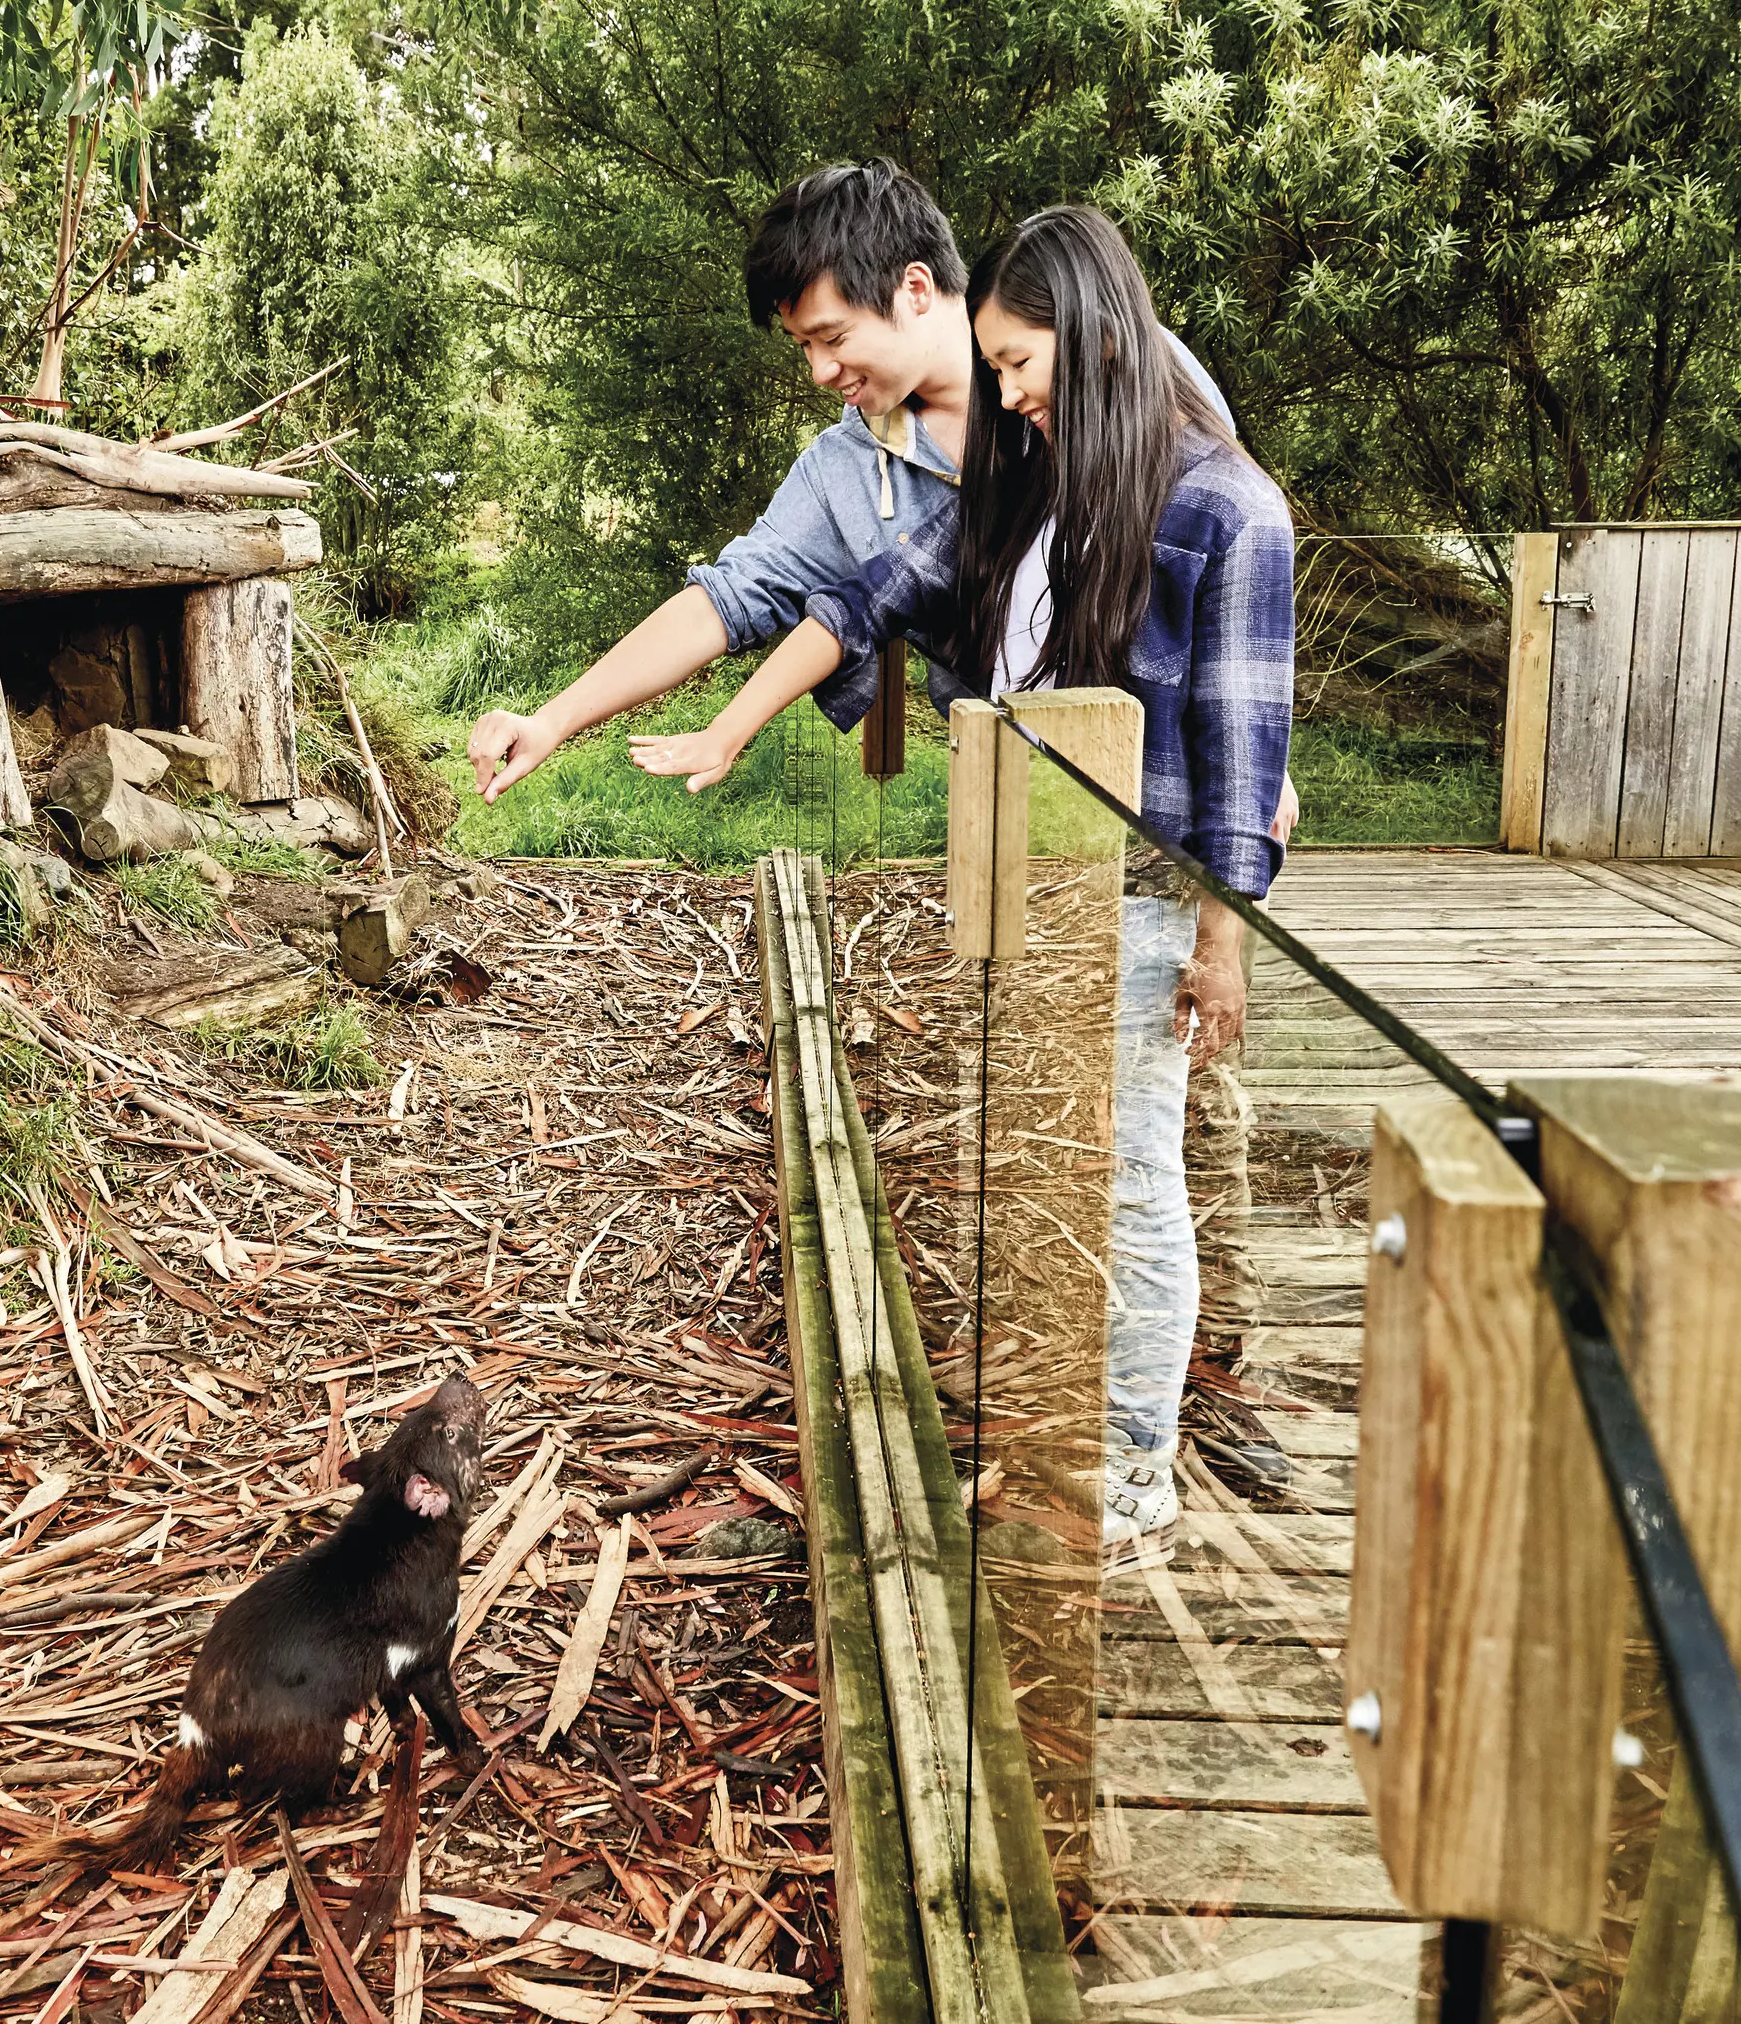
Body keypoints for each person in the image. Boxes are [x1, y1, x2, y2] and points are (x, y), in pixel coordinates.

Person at [624, 202, 1293, 1561]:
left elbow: (1241, 757)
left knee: (1134, 1176)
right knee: (1050, 1176)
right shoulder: (1033, 484)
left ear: (1097, 342)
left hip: (1144, 897)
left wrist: (1222, 941)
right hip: (1035, 880)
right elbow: (850, 603)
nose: (1002, 394)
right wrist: (728, 727)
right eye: (990, 369)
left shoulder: (1223, 505)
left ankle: (1136, 1465)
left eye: (1020, 364)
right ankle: (1067, 1441)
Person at [463, 160, 1236, 802]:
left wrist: (1252, 759)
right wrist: (552, 719)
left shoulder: (1115, 356)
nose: (819, 370)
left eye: (831, 337)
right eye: (802, 345)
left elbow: (1224, 550)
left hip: (1169, 772)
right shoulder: (842, 471)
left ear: (915, 289)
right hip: (1014, 790)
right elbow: (725, 599)